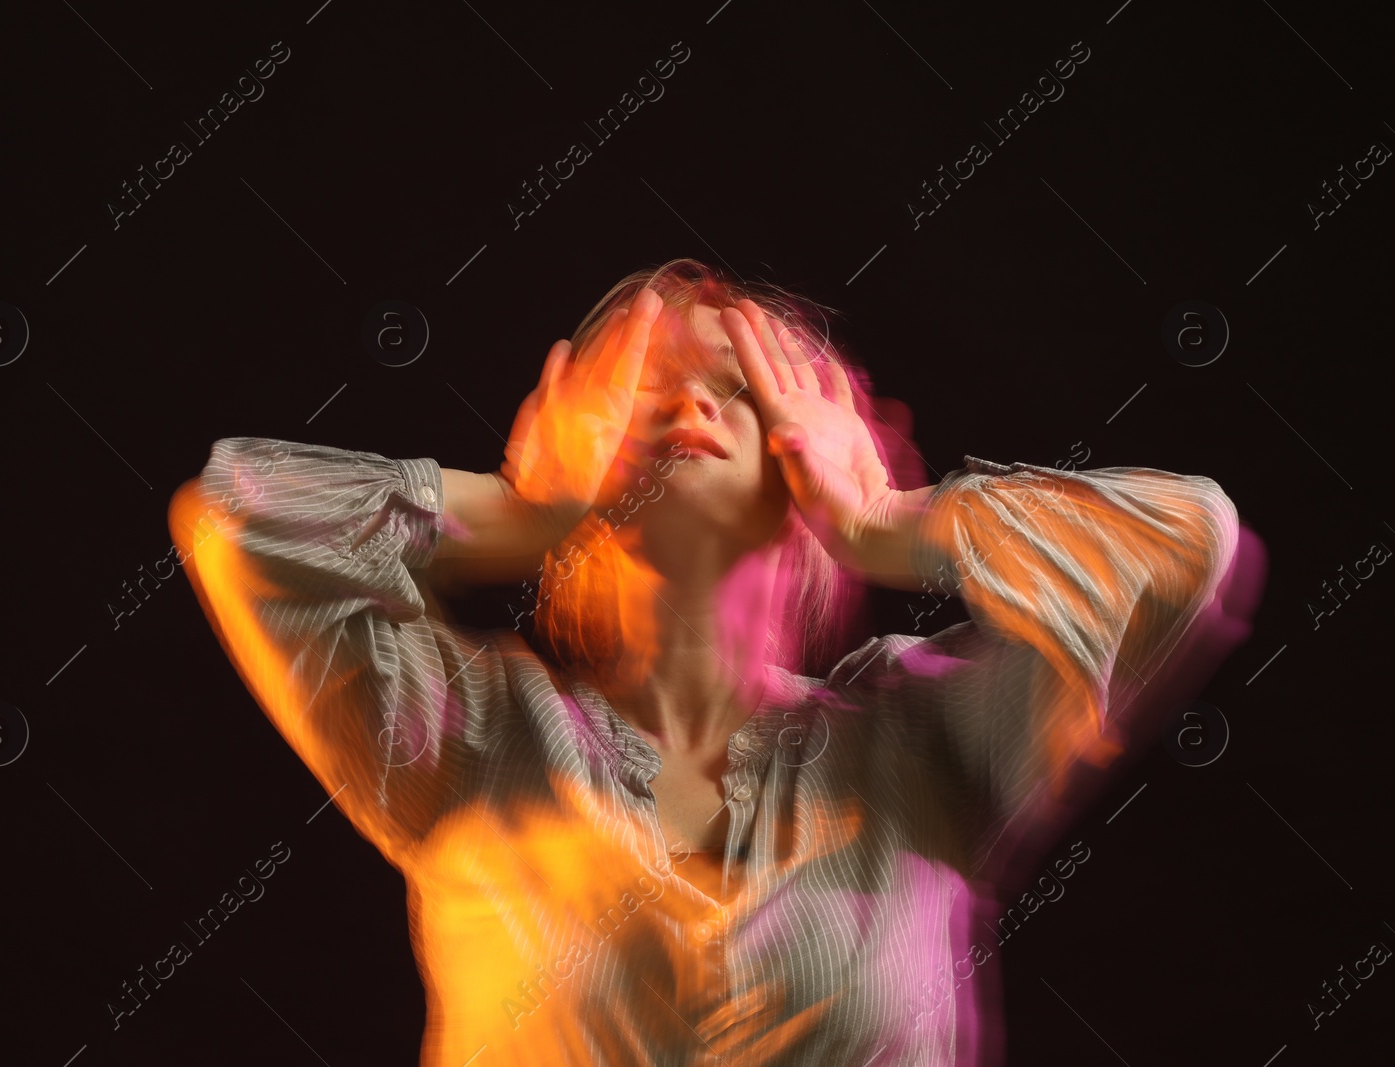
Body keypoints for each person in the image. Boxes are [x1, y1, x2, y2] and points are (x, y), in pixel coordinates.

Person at [167, 258, 1249, 1065]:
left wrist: (889, 519)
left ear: (813, 446)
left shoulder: (923, 741)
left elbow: (1179, 547)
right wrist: (520, 507)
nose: (687, 406)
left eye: (738, 388)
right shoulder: (468, 733)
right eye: (642, 382)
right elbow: (237, 514)